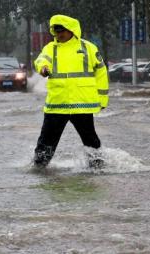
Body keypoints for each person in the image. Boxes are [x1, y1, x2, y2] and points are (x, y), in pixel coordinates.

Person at [33, 14, 109, 168]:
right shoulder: (50, 48)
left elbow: (101, 73)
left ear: (71, 30)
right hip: (57, 104)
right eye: (56, 31)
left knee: (91, 141)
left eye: (62, 31)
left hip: (81, 104)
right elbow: (41, 59)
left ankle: (98, 169)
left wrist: (102, 100)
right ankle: (39, 169)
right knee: (46, 142)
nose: (59, 34)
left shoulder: (88, 48)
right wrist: (43, 68)